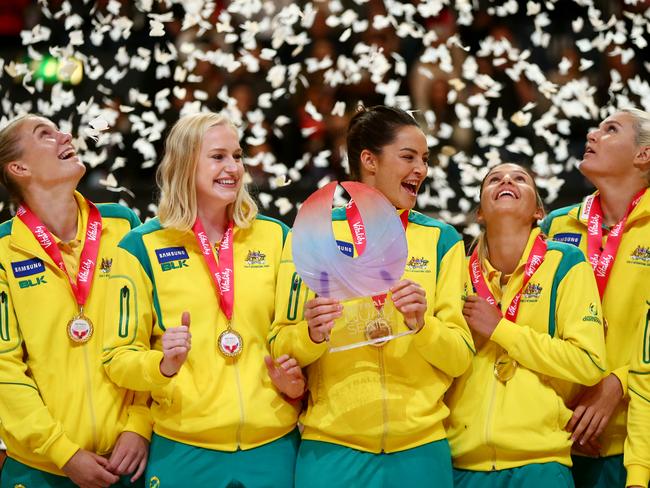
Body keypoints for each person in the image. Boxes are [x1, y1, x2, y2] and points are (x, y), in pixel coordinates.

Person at [269, 105, 474, 487]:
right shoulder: (313, 233)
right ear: (369, 160)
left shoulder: (441, 240)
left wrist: (421, 324)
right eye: (408, 157)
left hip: (420, 450)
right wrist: (311, 335)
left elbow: (460, 356)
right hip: (332, 449)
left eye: (425, 160)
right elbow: (281, 342)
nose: (421, 170)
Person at [101, 112, 304, 487]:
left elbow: (290, 335)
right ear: (185, 163)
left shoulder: (277, 237)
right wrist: (162, 364)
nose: (233, 168)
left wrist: (297, 374)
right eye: (218, 156)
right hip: (184, 449)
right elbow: (117, 357)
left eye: (238, 156)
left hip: (273, 446)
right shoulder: (140, 247)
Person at [0, 114, 150, 487]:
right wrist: (62, 452)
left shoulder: (123, 226)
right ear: (18, 167)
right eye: (44, 134)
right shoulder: (2, 250)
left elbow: (153, 335)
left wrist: (139, 424)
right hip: (40, 469)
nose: (65, 135)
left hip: (128, 461)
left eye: (59, 129)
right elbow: (3, 370)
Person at [446, 162, 607, 487]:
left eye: (520, 178)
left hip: (540, 464)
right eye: (494, 179)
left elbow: (589, 364)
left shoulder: (567, 262)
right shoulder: (456, 270)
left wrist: (501, 329)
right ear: (479, 212)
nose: (506, 180)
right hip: (461, 464)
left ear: (538, 211)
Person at [541, 108, 650, 488]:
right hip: (561, 432)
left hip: (636, 439)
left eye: (610, 129)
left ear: (643, 154)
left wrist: (617, 384)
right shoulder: (556, 225)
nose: (591, 134)